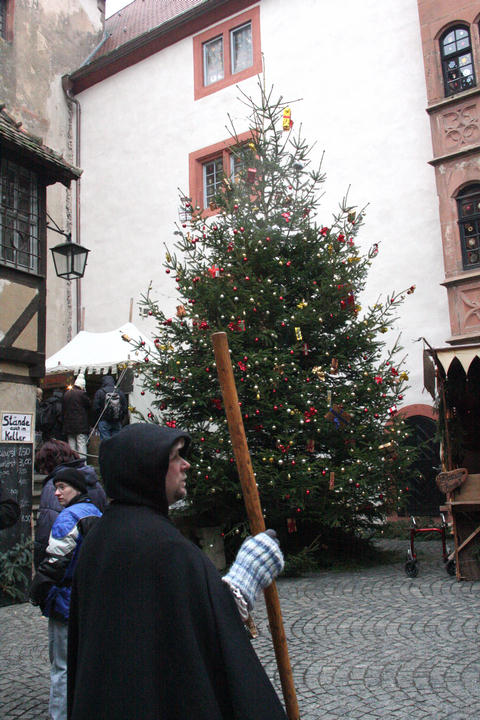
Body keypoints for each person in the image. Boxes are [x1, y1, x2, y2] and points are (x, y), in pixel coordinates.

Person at [67, 423, 287, 720]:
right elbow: (207, 626)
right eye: (175, 457)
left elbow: (174, 619)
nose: (187, 465)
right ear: (146, 468)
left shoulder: (104, 534)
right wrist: (247, 577)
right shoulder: (162, 546)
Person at [29, 468, 103, 720]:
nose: (57, 493)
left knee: (61, 666)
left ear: (77, 489)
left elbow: (54, 565)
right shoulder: (97, 512)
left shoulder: (68, 517)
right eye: (55, 487)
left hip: (65, 600)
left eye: (62, 487)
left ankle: (59, 715)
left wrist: (39, 590)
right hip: (90, 599)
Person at [33, 438, 107, 568]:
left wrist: (43, 568)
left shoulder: (54, 486)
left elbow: (48, 526)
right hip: (93, 560)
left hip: (66, 565)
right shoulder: (94, 483)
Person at [62, 374, 90, 457]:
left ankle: (72, 462)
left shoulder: (66, 394)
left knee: (71, 445)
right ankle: (82, 464)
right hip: (80, 425)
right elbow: (89, 405)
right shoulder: (82, 394)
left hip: (68, 425)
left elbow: (63, 409)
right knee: (81, 444)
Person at [93, 374, 127, 439]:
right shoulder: (119, 392)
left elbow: (95, 408)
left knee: (106, 442)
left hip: (103, 420)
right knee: (116, 441)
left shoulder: (100, 392)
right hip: (117, 421)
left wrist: (97, 419)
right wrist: (120, 418)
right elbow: (125, 407)